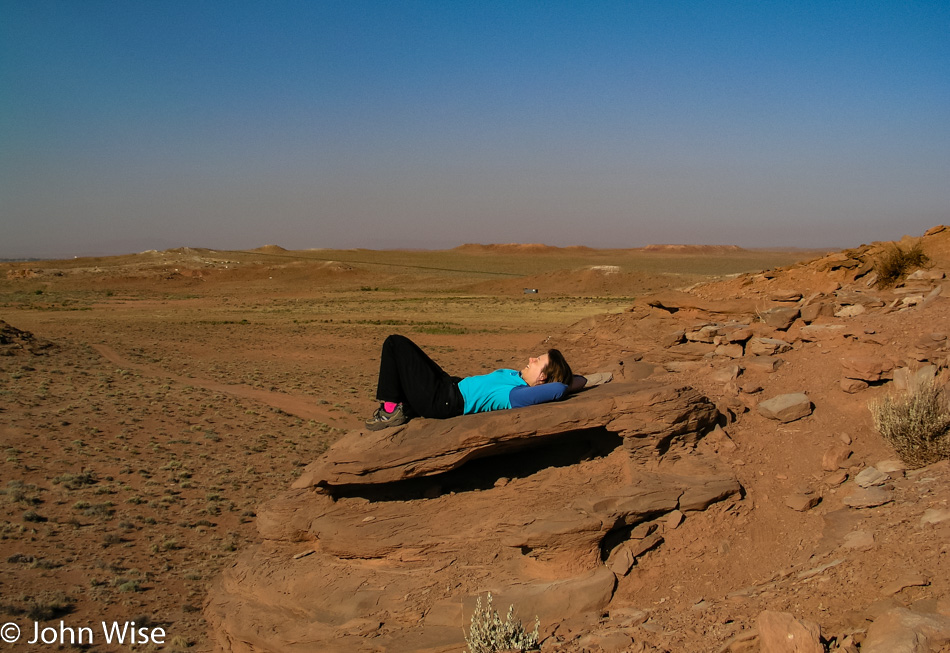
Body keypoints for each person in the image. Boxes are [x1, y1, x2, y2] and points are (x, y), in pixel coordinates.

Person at [365, 333, 583, 430]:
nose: (531, 359)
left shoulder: (516, 395)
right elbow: (579, 381)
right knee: (409, 355)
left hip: (443, 400)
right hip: (447, 385)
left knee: (395, 343)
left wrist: (563, 383)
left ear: (542, 377)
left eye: (538, 362)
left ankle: (390, 410)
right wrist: (571, 379)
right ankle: (403, 405)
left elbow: (559, 389)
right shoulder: (516, 379)